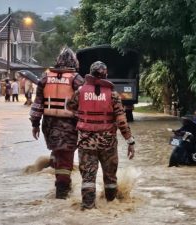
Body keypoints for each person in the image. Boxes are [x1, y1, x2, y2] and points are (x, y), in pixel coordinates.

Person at [67, 61, 135, 210]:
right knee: (110, 178)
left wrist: (82, 116)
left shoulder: (80, 92)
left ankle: (88, 208)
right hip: (108, 142)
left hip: (86, 142)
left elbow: (69, 106)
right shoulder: (113, 94)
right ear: (106, 74)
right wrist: (130, 141)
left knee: (88, 179)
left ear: (90, 74)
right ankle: (111, 206)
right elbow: (122, 121)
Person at [29, 47, 84, 199]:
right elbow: (84, 103)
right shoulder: (76, 79)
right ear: (74, 62)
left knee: (58, 152)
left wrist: (35, 124)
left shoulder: (45, 78)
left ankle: (60, 181)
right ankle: (62, 192)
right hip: (69, 125)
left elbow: (37, 104)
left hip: (49, 125)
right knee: (66, 159)